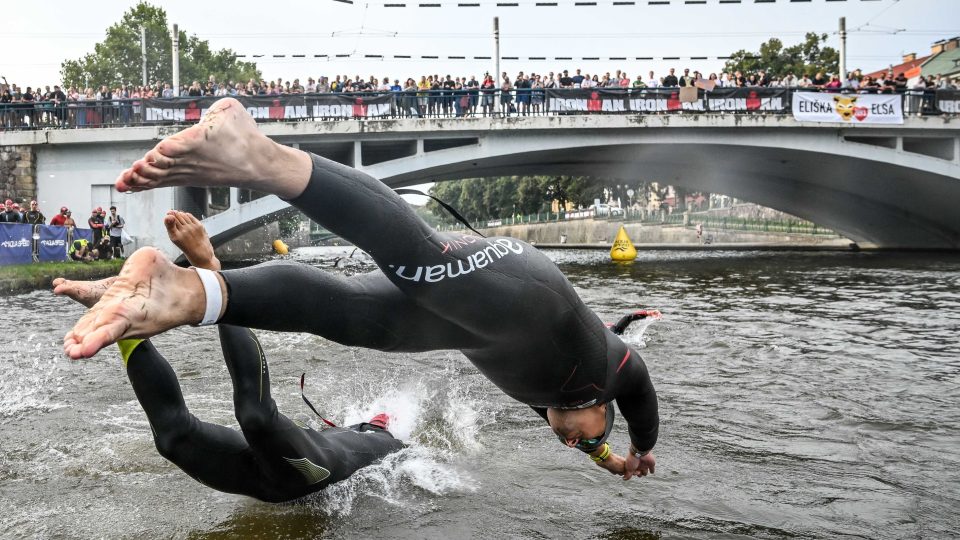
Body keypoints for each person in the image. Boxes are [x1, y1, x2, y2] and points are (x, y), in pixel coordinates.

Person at [63, 98, 659, 480]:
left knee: (343, 314)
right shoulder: (607, 371)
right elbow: (640, 392)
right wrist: (643, 449)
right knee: (416, 260)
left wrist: (610, 462)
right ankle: (261, 155)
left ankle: (185, 293)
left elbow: (585, 438)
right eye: (586, 442)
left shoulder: (550, 399)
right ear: (600, 409)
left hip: (467, 325)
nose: (572, 444)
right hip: (523, 288)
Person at [54, 211, 403, 502]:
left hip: (273, 480)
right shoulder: (389, 442)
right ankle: (210, 270)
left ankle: (118, 321)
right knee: (256, 417)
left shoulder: (389, 445)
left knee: (172, 438)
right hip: (303, 475)